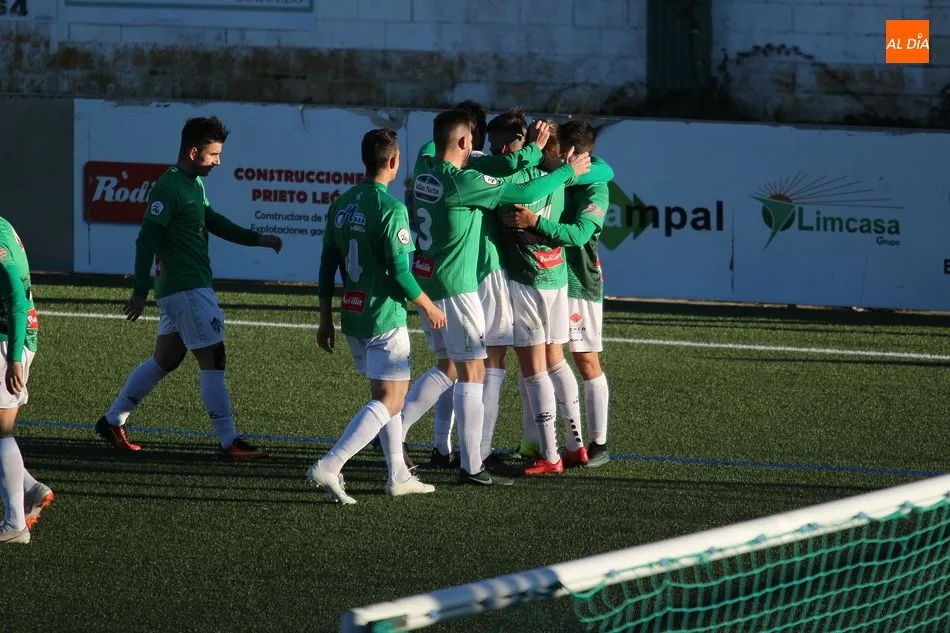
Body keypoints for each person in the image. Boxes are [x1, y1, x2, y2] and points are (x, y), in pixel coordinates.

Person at [404, 108, 591, 486]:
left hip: (429, 280)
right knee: (479, 367)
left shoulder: (425, 165)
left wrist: (527, 156)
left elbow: (500, 168)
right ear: (462, 141)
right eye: (473, 139)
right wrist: (564, 169)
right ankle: (475, 460)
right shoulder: (464, 180)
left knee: (449, 367)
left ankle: (420, 438)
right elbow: (521, 190)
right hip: (466, 282)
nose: (477, 148)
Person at [95, 116, 282, 458]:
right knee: (213, 358)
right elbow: (145, 240)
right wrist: (139, 290)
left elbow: (212, 220)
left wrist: (256, 239)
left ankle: (112, 420)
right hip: (187, 290)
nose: (218, 161)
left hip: (183, 290)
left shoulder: (193, 184)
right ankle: (229, 441)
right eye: (213, 154)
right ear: (194, 152)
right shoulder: (169, 188)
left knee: (166, 359)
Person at [307, 128, 445, 504]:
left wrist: (324, 319)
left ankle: (398, 475)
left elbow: (326, 267)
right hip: (383, 316)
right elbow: (401, 272)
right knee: (392, 401)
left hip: (352, 315)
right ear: (394, 162)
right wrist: (428, 305)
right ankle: (331, 464)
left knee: (385, 399)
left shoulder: (342, 203)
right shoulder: (392, 208)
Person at [505, 120, 613, 467]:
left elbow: (580, 235)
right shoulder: (560, 173)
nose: (551, 153)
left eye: (557, 148)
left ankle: (597, 443)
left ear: (571, 153)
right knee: (540, 362)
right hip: (550, 277)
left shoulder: (595, 183)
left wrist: (537, 224)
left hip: (580, 281)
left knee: (584, 359)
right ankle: (535, 443)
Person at [0, 217, 54, 544]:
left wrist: (14, 359)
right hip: (14, 337)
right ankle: (31, 488)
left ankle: (15, 523)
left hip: (9, 340)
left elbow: (18, 302)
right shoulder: (3, 224)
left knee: (2, 431)